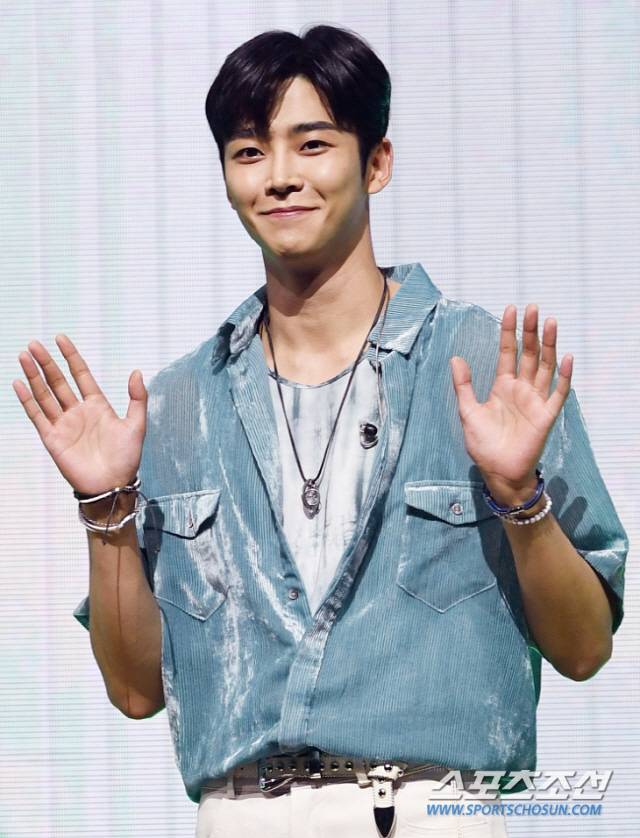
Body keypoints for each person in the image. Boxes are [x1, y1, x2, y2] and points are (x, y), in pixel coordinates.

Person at [13, 24, 627, 838]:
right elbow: (134, 692)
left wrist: (519, 495)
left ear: (377, 162)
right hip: (240, 816)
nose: (279, 177)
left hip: (428, 811)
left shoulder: (484, 364)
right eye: (249, 152)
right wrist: (106, 509)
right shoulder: (180, 403)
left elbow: (584, 650)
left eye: (312, 145)